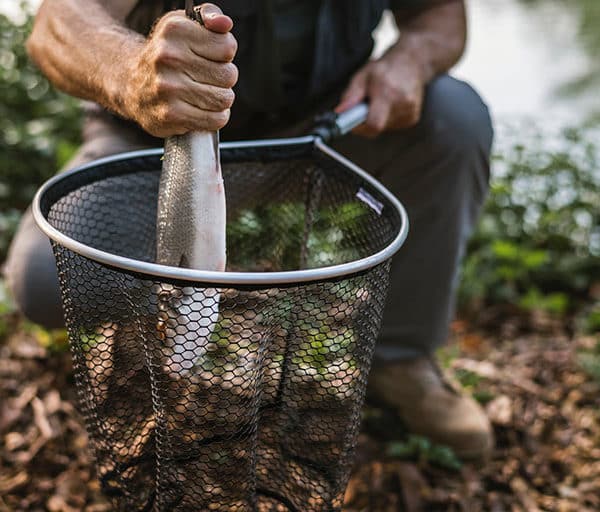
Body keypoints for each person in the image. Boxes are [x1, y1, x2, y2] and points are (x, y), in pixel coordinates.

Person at [6, 0, 494, 460]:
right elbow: (56, 24)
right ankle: (141, 332)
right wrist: (134, 73)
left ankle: (401, 361)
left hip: (332, 127)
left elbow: (441, 16)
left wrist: (410, 59)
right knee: (46, 280)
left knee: (454, 118)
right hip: (159, 137)